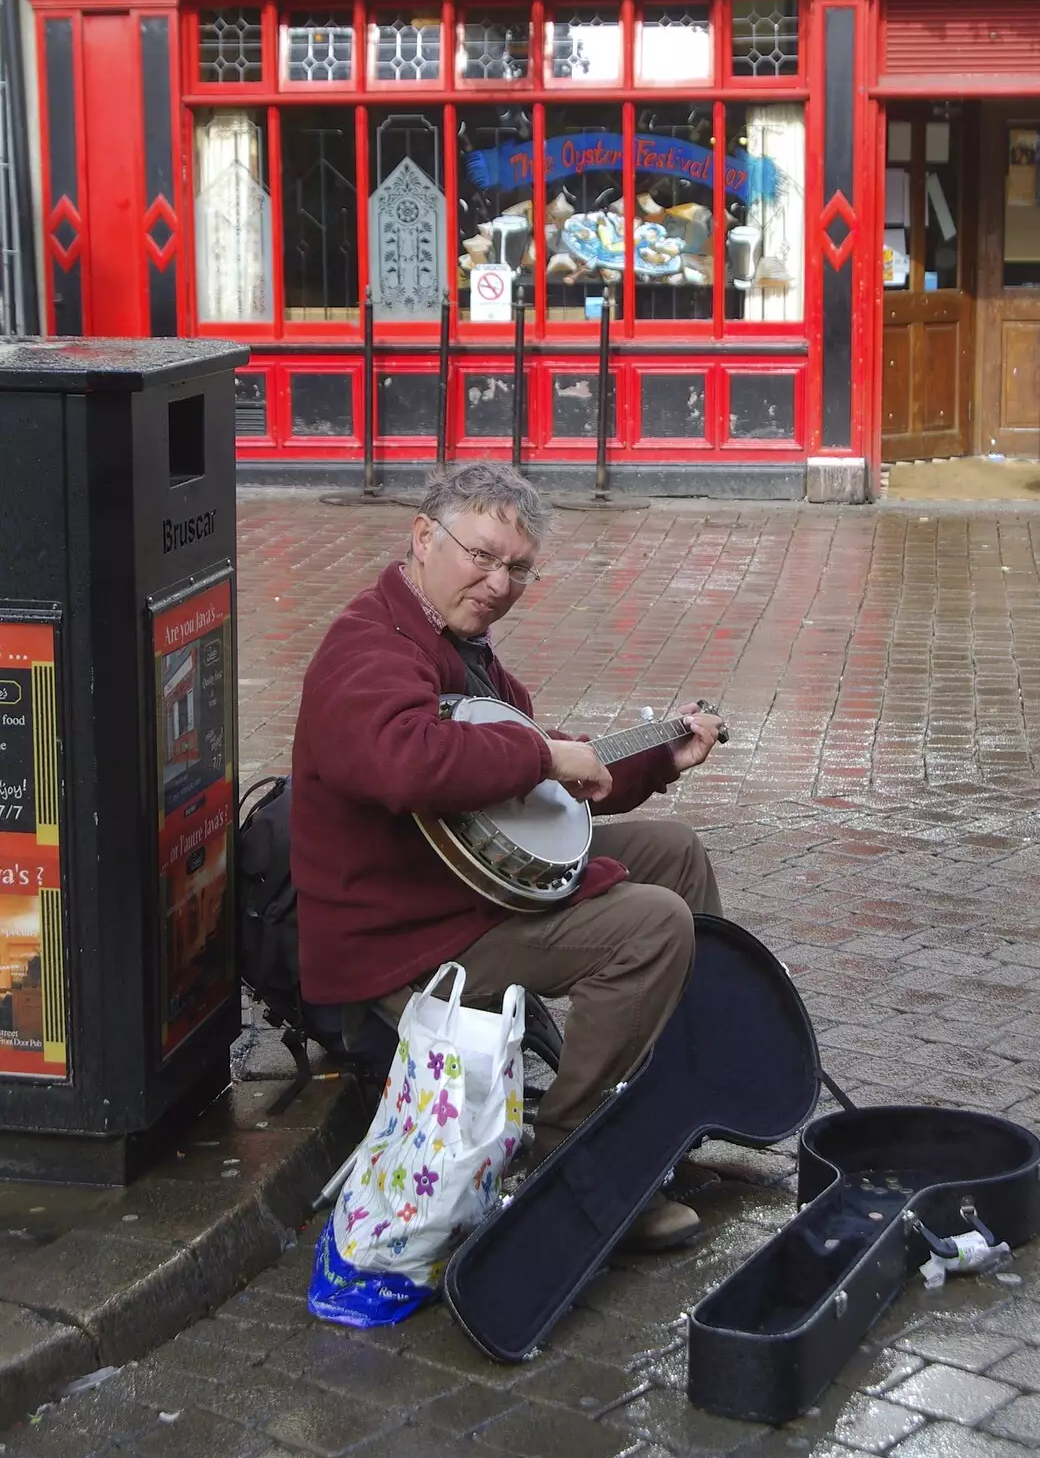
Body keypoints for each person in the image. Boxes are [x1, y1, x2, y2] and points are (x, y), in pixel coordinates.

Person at [291, 461, 725, 1250]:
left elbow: (536, 797)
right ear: (423, 537)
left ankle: (655, 1114)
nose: (499, 582)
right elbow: (402, 759)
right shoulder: (368, 645)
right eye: (482, 555)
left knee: (674, 854)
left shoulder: (465, 650)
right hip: (402, 942)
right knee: (652, 925)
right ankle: (575, 1169)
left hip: (461, 898)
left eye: (518, 568)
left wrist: (658, 759)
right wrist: (545, 757)